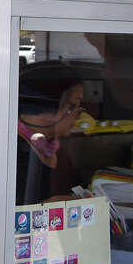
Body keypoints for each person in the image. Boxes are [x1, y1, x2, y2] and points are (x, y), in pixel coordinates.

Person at [16, 63, 85, 204]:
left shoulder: (52, 147)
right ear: (47, 106)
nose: (80, 114)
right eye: (73, 106)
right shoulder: (14, 150)